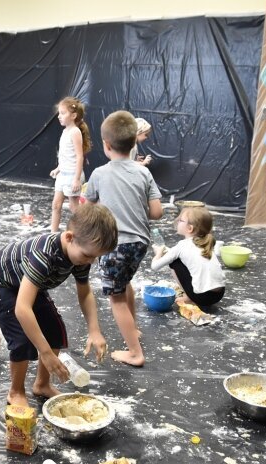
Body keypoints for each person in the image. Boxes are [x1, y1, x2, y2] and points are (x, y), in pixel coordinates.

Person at [0, 204, 117, 406]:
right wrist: (45, 353)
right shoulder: (43, 256)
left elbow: (85, 292)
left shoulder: (80, 256)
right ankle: (16, 392)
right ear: (70, 238)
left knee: (54, 329)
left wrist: (94, 330)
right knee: (22, 340)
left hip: (28, 282)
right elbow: (22, 308)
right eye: (89, 256)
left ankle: (42, 384)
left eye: (96, 257)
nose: (91, 261)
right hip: (0, 283)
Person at [85, 110, 163, 367]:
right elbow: (156, 212)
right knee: (125, 282)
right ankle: (134, 329)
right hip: (139, 243)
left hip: (114, 244)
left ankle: (135, 352)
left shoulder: (98, 174)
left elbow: (89, 209)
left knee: (115, 298)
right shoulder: (143, 173)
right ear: (134, 143)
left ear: (107, 145)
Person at [150, 207, 225, 308]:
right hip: (218, 295)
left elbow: (154, 266)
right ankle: (193, 296)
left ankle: (190, 297)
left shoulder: (182, 246)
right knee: (177, 259)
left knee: (174, 262)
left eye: (181, 220)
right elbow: (178, 253)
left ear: (190, 228)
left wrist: (158, 253)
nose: (177, 221)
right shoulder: (205, 242)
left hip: (202, 297)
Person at [50, 97, 91, 232]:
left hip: (72, 176)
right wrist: (58, 168)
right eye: (59, 113)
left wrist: (76, 179)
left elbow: (79, 157)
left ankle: (85, 230)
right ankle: (52, 234)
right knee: (56, 205)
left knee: (74, 207)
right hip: (63, 175)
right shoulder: (65, 131)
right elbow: (66, 155)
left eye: (63, 113)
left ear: (73, 116)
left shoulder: (75, 132)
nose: (59, 116)